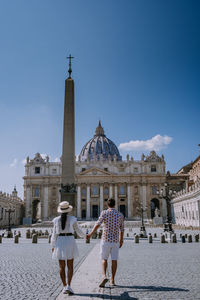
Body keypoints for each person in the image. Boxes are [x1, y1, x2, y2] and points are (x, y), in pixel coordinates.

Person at [87, 198, 124, 287]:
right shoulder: (120, 215)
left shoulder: (104, 213)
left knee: (104, 259)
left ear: (107, 205)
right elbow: (122, 229)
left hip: (106, 240)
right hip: (115, 241)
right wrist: (121, 240)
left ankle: (104, 276)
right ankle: (112, 280)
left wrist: (91, 234)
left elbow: (98, 224)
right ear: (115, 204)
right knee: (114, 260)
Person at [51, 201, 86, 295]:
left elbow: (54, 234)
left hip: (60, 241)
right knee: (70, 265)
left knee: (61, 266)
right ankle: (69, 285)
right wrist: (86, 236)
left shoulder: (55, 220)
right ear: (68, 210)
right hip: (70, 241)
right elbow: (78, 231)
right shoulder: (73, 219)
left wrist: (52, 246)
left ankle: (64, 286)